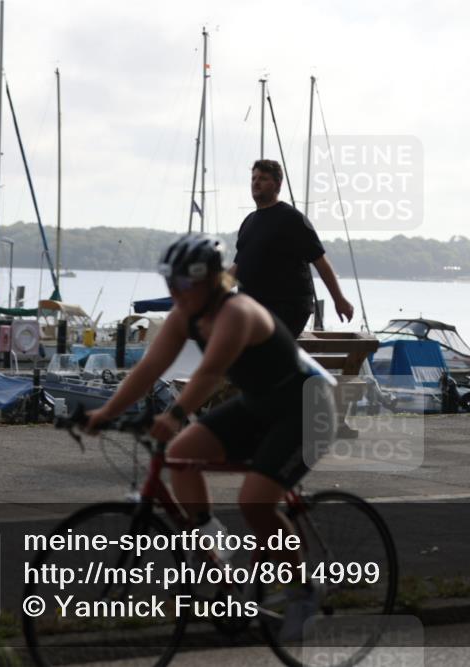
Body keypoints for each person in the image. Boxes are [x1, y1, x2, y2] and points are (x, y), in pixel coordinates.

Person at [85, 233, 336, 639]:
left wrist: (176, 413)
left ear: (209, 282)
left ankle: (303, 590)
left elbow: (211, 372)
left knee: (255, 501)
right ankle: (225, 561)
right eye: (170, 284)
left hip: (307, 410)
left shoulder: (237, 312)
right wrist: (106, 412)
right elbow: (148, 369)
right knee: (180, 455)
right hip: (260, 405)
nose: (175, 293)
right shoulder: (185, 315)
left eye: (183, 284)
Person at [229, 159, 354, 337]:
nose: (256, 182)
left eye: (263, 178)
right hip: (253, 308)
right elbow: (237, 268)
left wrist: (339, 299)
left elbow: (320, 262)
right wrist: (210, 291)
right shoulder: (248, 222)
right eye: (254, 178)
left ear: (277, 185)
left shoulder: (292, 219)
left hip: (287, 308)